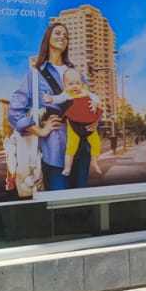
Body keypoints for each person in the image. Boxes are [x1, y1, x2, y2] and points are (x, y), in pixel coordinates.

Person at [8, 22, 98, 192]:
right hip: (54, 152)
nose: (62, 37)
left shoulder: (76, 74)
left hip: (82, 148)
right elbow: (14, 111)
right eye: (57, 33)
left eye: (65, 35)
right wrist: (40, 131)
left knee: (82, 206)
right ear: (48, 38)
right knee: (60, 209)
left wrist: (94, 123)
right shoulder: (34, 75)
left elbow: (89, 103)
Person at [52, 67, 104, 179]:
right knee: (71, 146)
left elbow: (97, 99)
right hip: (74, 124)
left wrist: (95, 103)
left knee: (96, 143)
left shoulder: (86, 92)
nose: (75, 86)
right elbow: (59, 99)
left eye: (77, 83)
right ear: (65, 86)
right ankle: (67, 167)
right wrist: (51, 99)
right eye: (70, 84)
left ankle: (94, 162)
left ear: (81, 83)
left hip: (89, 124)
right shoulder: (67, 94)